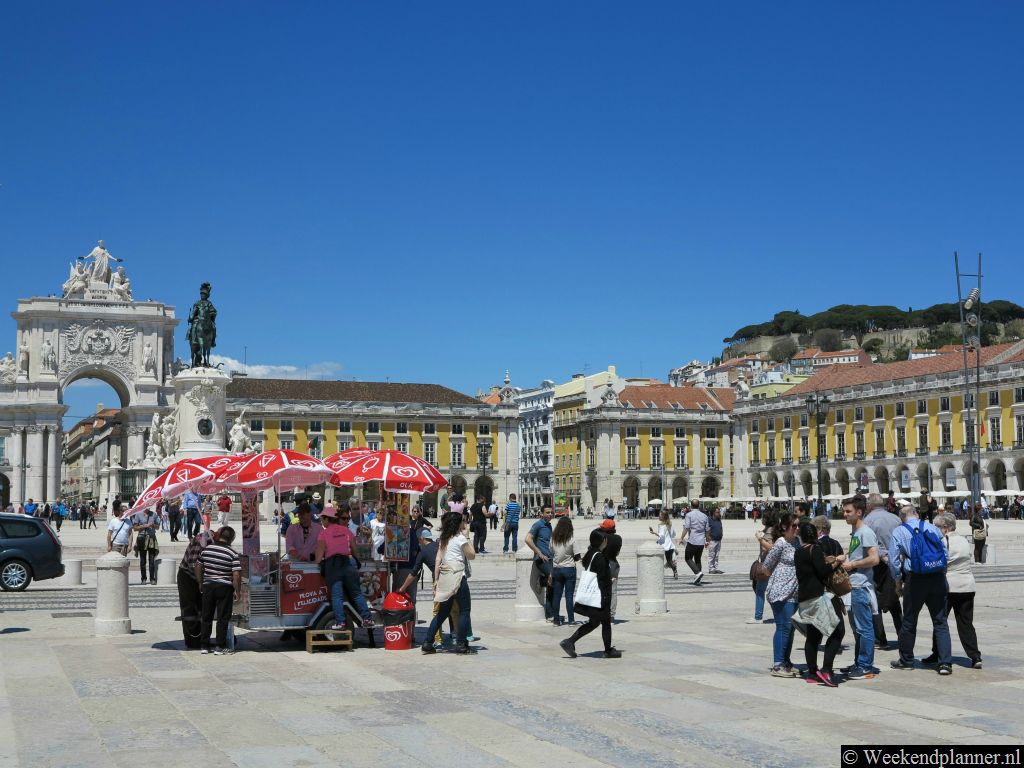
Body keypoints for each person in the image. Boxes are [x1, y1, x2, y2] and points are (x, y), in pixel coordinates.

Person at [889, 504, 953, 675]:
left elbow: (894, 561)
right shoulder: (932, 527)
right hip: (937, 577)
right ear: (916, 514)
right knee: (940, 621)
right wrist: (942, 572)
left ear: (902, 517)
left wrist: (897, 582)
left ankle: (906, 660)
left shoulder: (899, 531)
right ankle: (945, 663)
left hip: (915, 579)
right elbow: (945, 553)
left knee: (909, 620)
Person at [924, 513, 982, 669]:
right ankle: (975, 656)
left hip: (949, 586)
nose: (935, 530)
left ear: (945, 527)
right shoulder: (964, 540)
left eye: (937, 527)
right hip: (968, 586)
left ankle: (938, 654)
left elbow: (940, 563)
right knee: (966, 623)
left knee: (940, 622)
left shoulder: (943, 541)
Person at [793, 520, 846, 687]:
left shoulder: (798, 551)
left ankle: (812, 672)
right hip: (817, 597)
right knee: (838, 631)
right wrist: (837, 561)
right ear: (815, 534)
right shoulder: (814, 549)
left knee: (813, 636)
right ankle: (826, 669)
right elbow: (823, 572)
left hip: (804, 598)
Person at [559, 528, 620, 659]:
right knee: (605, 622)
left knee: (595, 623)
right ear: (603, 541)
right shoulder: (600, 557)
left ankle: (569, 642)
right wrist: (606, 596)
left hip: (594, 594)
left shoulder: (591, 554)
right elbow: (602, 579)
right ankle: (608, 650)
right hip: (599, 595)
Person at [422, 512, 475, 654]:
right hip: (457, 576)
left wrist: (436, 580)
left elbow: (438, 559)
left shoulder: (444, 539)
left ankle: (427, 642)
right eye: (463, 521)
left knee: (442, 612)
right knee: (464, 611)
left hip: (445, 577)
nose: (465, 523)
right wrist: (467, 536)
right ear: (458, 524)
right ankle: (461, 644)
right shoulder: (459, 539)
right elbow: (472, 555)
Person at [840, 494, 881, 680]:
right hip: (854, 586)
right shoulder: (856, 533)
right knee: (858, 628)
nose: (845, 515)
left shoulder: (865, 532)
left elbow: (874, 558)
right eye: (844, 511)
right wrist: (845, 559)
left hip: (861, 587)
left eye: (848, 511)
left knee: (865, 628)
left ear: (859, 512)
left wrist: (852, 565)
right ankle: (859, 662)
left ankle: (865, 665)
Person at [315, 507, 373, 630]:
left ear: (327, 519)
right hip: (347, 563)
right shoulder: (346, 531)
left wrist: (316, 562)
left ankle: (340, 622)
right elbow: (355, 549)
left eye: (322, 518)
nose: (321, 520)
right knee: (356, 593)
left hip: (333, 566)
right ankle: (367, 619)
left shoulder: (323, 533)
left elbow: (319, 557)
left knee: (337, 596)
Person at [863, 492, 903, 649]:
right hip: (895, 563)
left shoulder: (867, 521)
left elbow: (869, 545)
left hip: (878, 564)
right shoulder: (896, 518)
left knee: (875, 602)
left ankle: (880, 639)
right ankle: (903, 635)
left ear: (871, 505)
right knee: (894, 601)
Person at [763, 512, 799, 677]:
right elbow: (766, 566)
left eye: (798, 526)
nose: (797, 529)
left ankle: (786, 661)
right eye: (794, 526)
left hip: (794, 592)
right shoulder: (781, 543)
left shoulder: (797, 542)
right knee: (783, 627)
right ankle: (778, 664)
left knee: (790, 628)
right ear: (785, 527)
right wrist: (781, 577)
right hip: (780, 591)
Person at [196, 526, 241, 655]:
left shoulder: (207, 549)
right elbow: (236, 575)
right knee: (223, 617)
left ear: (219, 535)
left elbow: (198, 565)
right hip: (225, 588)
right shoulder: (232, 553)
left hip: (208, 586)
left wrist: (200, 582)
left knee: (207, 616)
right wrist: (237, 591)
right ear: (231, 539)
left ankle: (204, 645)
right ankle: (219, 646)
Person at [177, 529, 214, 648]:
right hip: (188, 576)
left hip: (198, 577)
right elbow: (194, 564)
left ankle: (202, 639)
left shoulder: (212, 541)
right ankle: (192, 640)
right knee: (190, 609)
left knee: (202, 609)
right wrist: (200, 583)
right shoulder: (203, 541)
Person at [525, 506, 555, 620]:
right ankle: (541, 581)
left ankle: (550, 614)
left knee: (553, 585)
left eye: (551, 512)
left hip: (550, 558)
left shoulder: (549, 526)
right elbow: (528, 539)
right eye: (547, 512)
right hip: (541, 559)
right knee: (552, 577)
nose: (550, 514)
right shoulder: (538, 524)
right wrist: (539, 553)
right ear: (542, 514)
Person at [748, 510, 777, 624]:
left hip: (767, 564)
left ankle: (758, 617)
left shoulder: (770, 531)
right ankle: (776, 614)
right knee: (766, 590)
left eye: (764, 517)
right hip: (770, 564)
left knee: (761, 590)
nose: (762, 519)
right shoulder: (770, 530)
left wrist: (760, 538)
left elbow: (768, 548)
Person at [550, 516, 580, 626]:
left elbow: (551, 551)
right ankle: (571, 620)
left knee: (556, 595)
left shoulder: (553, 539)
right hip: (569, 568)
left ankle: (556, 620)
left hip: (557, 569)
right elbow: (577, 557)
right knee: (569, 595)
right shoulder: (572, 539)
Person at [680, 503, 710, 585]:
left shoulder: (689, 515)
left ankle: (697, 573)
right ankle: (698, 578)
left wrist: (681, 538)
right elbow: (707, 530)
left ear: (691, 506)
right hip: (701, 541)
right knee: (697, 559)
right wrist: (707, 540)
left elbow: (686, 527)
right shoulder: (704, 516)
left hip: (693, 540)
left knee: (688, 558)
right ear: (699, 505)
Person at [132, 507, 160, 584]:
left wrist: (153, 525)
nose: (148, 507)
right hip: (142, 538)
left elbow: (158, 527)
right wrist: (145, 526)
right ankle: (143, 578)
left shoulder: (153, 514)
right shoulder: (138, 514)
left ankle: (152, 578)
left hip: (151, 538)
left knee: (151, 559)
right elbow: (135, 528)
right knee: (143, 560)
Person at [649, 509, 678, 579]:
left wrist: (653, 532)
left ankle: (656, 573)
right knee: (669, 560)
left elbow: (661, 536)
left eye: (659, 515)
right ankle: (675, 571)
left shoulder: (661, 526)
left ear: (663, 517)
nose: (658, 516)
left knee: (658, 559)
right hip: (670, 545)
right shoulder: (670, 524)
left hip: (664, 546)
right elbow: (674, 534)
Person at [707, 507, 724, 574]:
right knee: (711, 555)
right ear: (713, 513)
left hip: (718, 540)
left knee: (716, 555)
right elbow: (707, 529)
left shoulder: (719, 519)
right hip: (712, 540)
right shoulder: (709, 519)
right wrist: (708, 537)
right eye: (717, 512)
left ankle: (716, 568)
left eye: (719, 512)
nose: (718, 513)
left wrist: (722, 534)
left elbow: (721, 527)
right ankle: (711, 568)